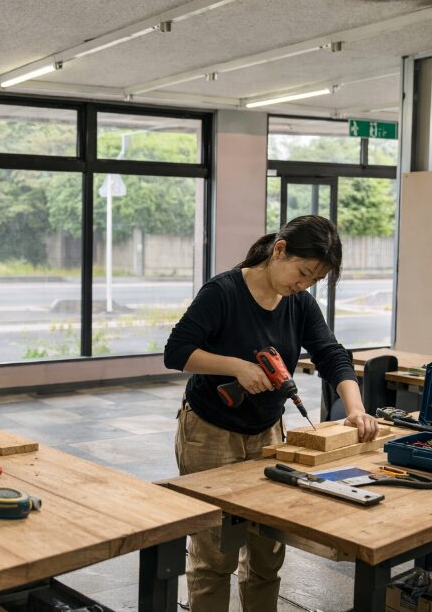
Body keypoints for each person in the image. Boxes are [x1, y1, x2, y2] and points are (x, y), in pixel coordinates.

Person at [164, 215, 378, 612]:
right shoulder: (223, 292)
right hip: (210, 431)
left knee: (267, 553)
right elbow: (176, 352)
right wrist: (237, 367)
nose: (303, 285)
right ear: (279, 250)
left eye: (313, 280)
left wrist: (355, 409)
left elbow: (331, 354)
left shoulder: (299, 303)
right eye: (302, 273)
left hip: (268, 432)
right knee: (215, 555)